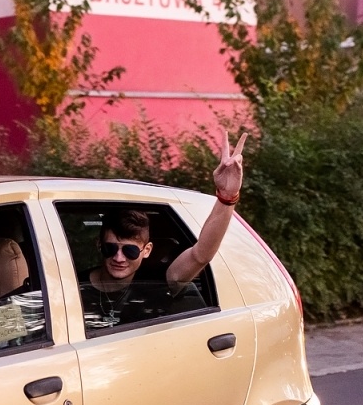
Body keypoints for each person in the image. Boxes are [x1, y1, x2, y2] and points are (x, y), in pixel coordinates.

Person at [80, 128, 247, 325]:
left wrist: (227, 198)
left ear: (147, 250)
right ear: (99, 245)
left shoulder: (157, 282)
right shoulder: (73, 286)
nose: (119, 257)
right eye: (110, 248)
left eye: (130, 251)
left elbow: (201, 254)